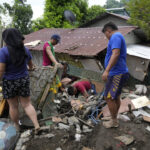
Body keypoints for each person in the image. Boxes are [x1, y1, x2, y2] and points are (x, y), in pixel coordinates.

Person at [0, 28, 40, 132]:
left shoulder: (3, 51)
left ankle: (17, 126)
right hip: (23, 80)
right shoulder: (25, 50)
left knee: (13, 106)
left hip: (9, 82)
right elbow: (31, 66)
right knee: (27, 104)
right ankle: (36, 125)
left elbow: (1, 70)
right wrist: (29, 68)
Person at [102, 22, 129, 128]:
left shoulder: (115, 36)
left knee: (108, 98)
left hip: (116, 73)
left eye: (106, 35)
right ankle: (114, 117)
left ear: (108, 31)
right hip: (119, 72)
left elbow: (116, 53)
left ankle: (114, 121)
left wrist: (106, 70)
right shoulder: (119, 36)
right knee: (115, 96)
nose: (107, 38)